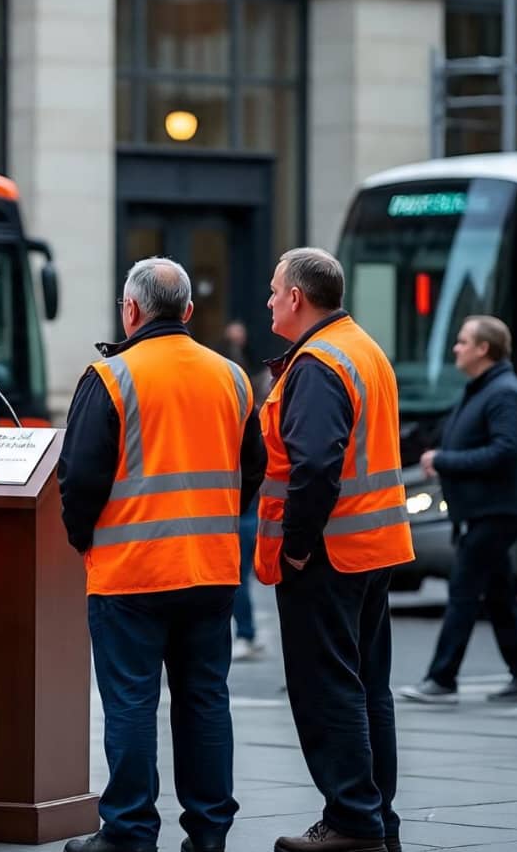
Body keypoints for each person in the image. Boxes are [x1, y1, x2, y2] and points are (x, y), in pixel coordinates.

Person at [59, 257, 266, 852]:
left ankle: (128, 830)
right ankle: (208, 832)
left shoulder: (111, 377)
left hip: (130, 573)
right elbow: (252, 469)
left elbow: (79, 479)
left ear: (131, 310)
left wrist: (84, 541)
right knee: (205, 702)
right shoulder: (230, 376)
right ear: (190, 312)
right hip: (209, 568)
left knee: (130, 704)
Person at [255, 247, 414, 852]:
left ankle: (351, 821)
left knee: (331, 688)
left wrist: (296, 546)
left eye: (274, 291)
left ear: (297, 297)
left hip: (327, 554)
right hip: (370, 548)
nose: (269, 300)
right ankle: (376, 821)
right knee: (370, 686)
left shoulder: (318, 362)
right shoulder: (362, 348)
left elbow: (315, 464)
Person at [400, 315, 517, 705]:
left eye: (463, 341)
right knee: (500, 594)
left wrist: (446, 460)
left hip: (494, 511)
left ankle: (442, 678)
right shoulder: (483, 388)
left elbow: (507, 450)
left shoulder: (503, 393)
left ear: (483, 349)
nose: (456, 348)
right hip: (483, 510)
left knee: (464, 590)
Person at [216, 321, 267, 662]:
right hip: (243, 508)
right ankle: (246, 633)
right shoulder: (247, 392)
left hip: (237, 512)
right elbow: (256, 463)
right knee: (238, 578)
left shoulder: (235, 396)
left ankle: (246, 633)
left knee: (236, 579)